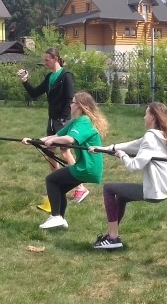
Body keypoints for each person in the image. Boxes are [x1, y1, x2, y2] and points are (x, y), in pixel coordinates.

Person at [90, 102, 167, 250]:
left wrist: (122, 156)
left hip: (156, 190)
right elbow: (131, 145)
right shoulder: (163, 135)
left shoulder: (151, 138)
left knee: (108, 188)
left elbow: (134, 166)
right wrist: (102, 149)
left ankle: (113, 238)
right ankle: (110, 235)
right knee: (121, 197)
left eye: (146, 114)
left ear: (152, 117)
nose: (144, 117)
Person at [23, 91, 107, 229]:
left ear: (79, 106)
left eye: (72, 102)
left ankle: (56, 216)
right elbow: (55, 135)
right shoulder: (76, 122)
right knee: (59, 188)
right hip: (85, 166)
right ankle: (60, 220)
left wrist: (54, 140)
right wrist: (33, 141)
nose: (70, 105)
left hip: (87, 167)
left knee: (51, 180)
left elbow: (69, 139)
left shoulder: (84, 121)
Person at [18, 48, 89, 209]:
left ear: (55, 58)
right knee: (49, 151)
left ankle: (80, 188)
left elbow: (70, 98)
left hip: (62, 121)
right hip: (51, 120)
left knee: (65, 152)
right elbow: (35, 93)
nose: (45, 63)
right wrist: (25, 81)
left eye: (47, 60)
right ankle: (56, 184)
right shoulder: (50, 77)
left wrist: (64, 119)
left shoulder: (66, 76)